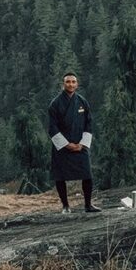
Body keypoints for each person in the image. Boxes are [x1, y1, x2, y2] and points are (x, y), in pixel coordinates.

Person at [48, 71, 100, 214]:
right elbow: (52, 128)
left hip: (80, 145)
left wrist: (82, 144)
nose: (70, 84)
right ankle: (65, 206)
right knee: (60, 176)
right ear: (62, 84)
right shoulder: (55, 104)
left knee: (87, 174)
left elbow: (89, 123)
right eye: (68, 82)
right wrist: (66, 144)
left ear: (77, 84)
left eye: (73, 82)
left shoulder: (82, 102)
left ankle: (88, 204)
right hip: (63, 146)